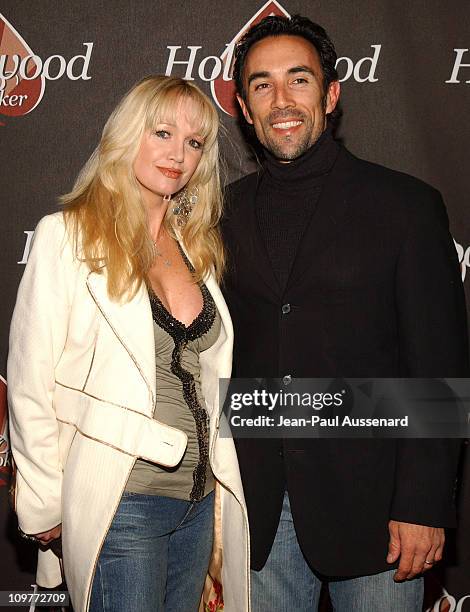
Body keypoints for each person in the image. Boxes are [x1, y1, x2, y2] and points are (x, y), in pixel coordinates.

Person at [221, 14, 468, 612]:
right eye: (261, 84)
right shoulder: (219, 213)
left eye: (298, 80)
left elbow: (436, 364)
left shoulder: (406, 207)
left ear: (330, 96)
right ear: (244, 110)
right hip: (257, 510)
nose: (281, 100)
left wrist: (422, 505)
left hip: (379, 511)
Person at [8, 75, 249, 612]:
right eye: (162, 132)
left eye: (194, 142)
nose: (178, 154)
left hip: (197, 503)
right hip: (122, 502)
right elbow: (29, 382)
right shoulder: (67, 236)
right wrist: (44, 501)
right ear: (126, 136)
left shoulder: (196, 251)